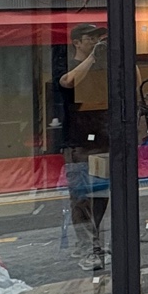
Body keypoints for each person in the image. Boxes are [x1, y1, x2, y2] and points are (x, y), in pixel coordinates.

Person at [56, 23, 110, 270]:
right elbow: (67, 82)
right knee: (81, 199)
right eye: (90, 39)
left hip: (101, 139)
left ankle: (94, 243)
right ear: (76, 42)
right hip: (77, 143)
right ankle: (86, 248)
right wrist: (92, 58)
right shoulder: (68, 64)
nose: (95, 43)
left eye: (98, 39)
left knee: (100, 195)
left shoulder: (101, 67)